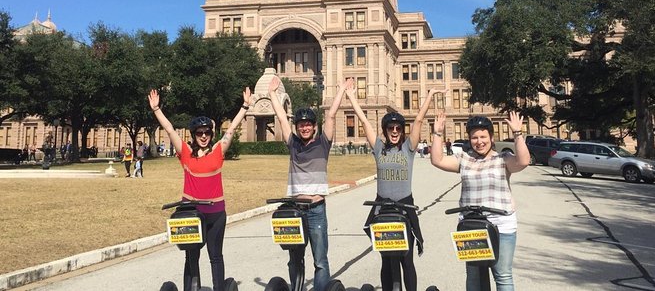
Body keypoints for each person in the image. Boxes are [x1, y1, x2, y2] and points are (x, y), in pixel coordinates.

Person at [148, 86, 251, 291]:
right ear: (193, 135)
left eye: (206, 132)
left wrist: (245, 106)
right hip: (192, 214)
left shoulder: (218, 151)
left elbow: (231, 130)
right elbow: (169, 130)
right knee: (191, 256)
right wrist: (156, 109)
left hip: (216, 214)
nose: (203, 136)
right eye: (199, 133)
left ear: (211, 134)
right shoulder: (185, 152)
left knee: (215, 256)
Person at [346, 85, 445, 291]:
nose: (394, 131)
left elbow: (418, 120)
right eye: (390, 129)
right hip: (383, 211)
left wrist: (430, 95)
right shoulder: (379, 148)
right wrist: (351, 97)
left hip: (404, 209)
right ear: (385, 130)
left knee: (406, 260)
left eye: (398, 129)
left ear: (402, 131)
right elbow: (364, 120)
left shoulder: (409, 148)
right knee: (386, 260)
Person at [430, 111, 529, 291]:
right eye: (474, 137)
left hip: (501, 223)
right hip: (471, 225)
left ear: (491, 137)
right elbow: (437, 160)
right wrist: (437, 133)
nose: (479, 141)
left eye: (483, 136)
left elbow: (523, 161)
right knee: (474, 276)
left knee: (503, 275)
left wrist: (517, 134)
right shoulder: (464, 159)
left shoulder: (503, 159)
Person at [267, 76, 350, 291]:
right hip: (295, 210)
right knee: (294, 259)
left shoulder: (323, 143)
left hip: (316, 209)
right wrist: (272, 94)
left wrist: (340, 90)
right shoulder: (293, 144)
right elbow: (282, 118)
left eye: (308, 125)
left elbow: (331, 115)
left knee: (320, 260)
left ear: (314, 127)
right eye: (301, 125)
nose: (304, 128)